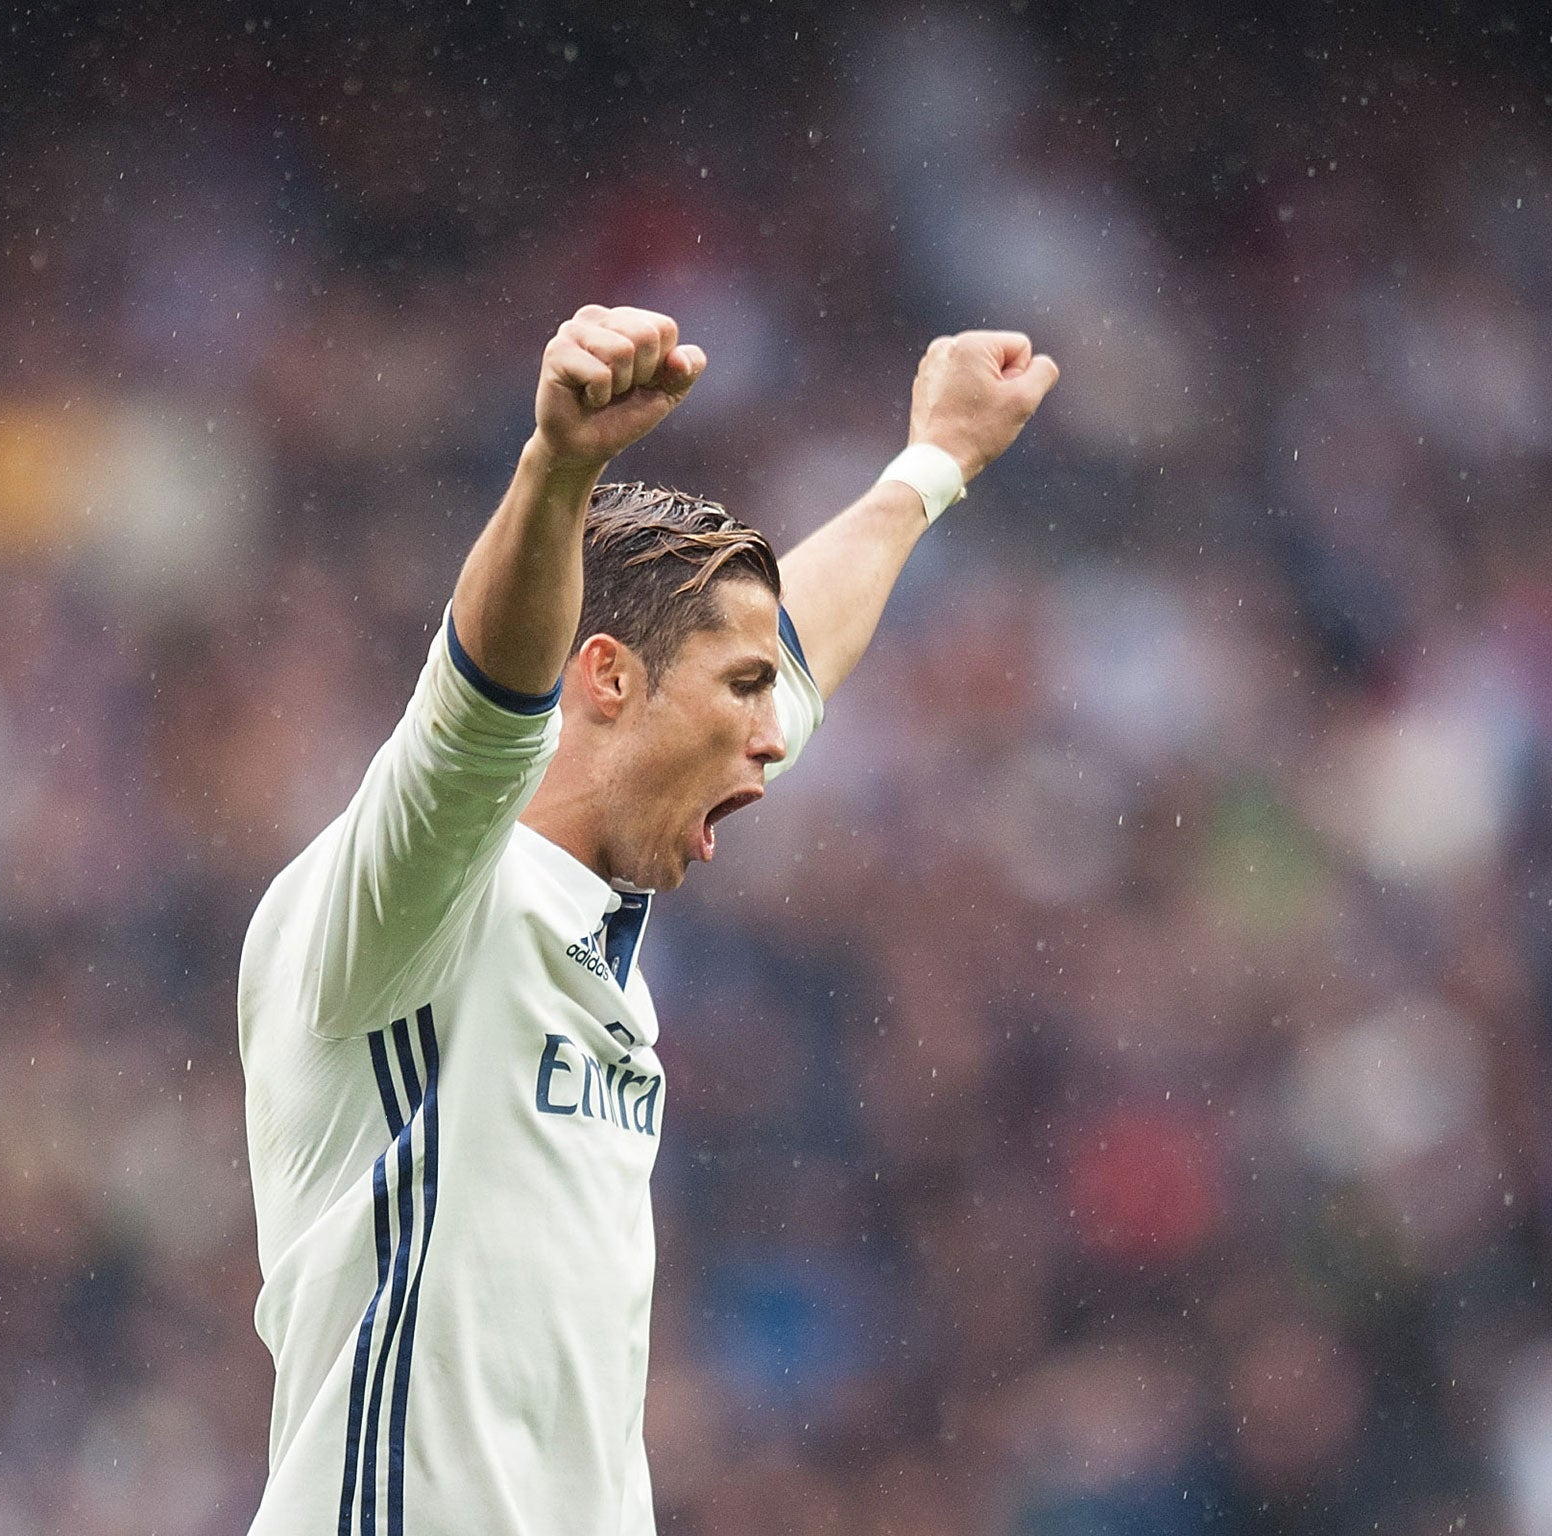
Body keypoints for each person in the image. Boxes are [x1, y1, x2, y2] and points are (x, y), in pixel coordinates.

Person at [238, 304, 1057, 1536]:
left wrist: (927, 467)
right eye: (738, 693)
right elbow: (482, 704)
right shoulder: (420, 893)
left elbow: (792, 650)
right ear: (607, 677)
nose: (775, 733)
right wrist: (557, 471)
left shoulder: (593, 919)